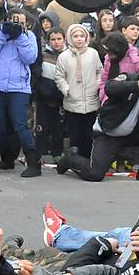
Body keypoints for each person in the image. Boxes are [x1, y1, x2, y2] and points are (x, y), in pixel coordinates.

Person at [84, 34, 139, 183]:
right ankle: (71, 159)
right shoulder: (130, 78)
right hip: (109, 132)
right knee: (95, 175)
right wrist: (137, 85)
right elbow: (110, 87)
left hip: (132, 134)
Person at [0, 7, 41, 177]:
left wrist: (20, 36)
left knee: (20, 125)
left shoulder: (29, 36)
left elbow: (30, 58)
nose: (17, 25)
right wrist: (3, 34)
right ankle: (7, 160)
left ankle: (34, 163)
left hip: (19, 88)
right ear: (6, 20)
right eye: (14, 21)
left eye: (21, 22)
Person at [54, 22, 102, 167]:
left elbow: (100, 71)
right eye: (75, 36)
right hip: (72, 102)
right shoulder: (64, 56)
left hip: (91, 102)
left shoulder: (93, 54)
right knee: (75, 134)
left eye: (82, 36)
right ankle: (74, 161)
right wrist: (66, 90)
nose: (79, 39)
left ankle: (87, 161)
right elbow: (59, 76)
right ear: (70, 38)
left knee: (88, 134)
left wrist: (97, 86)